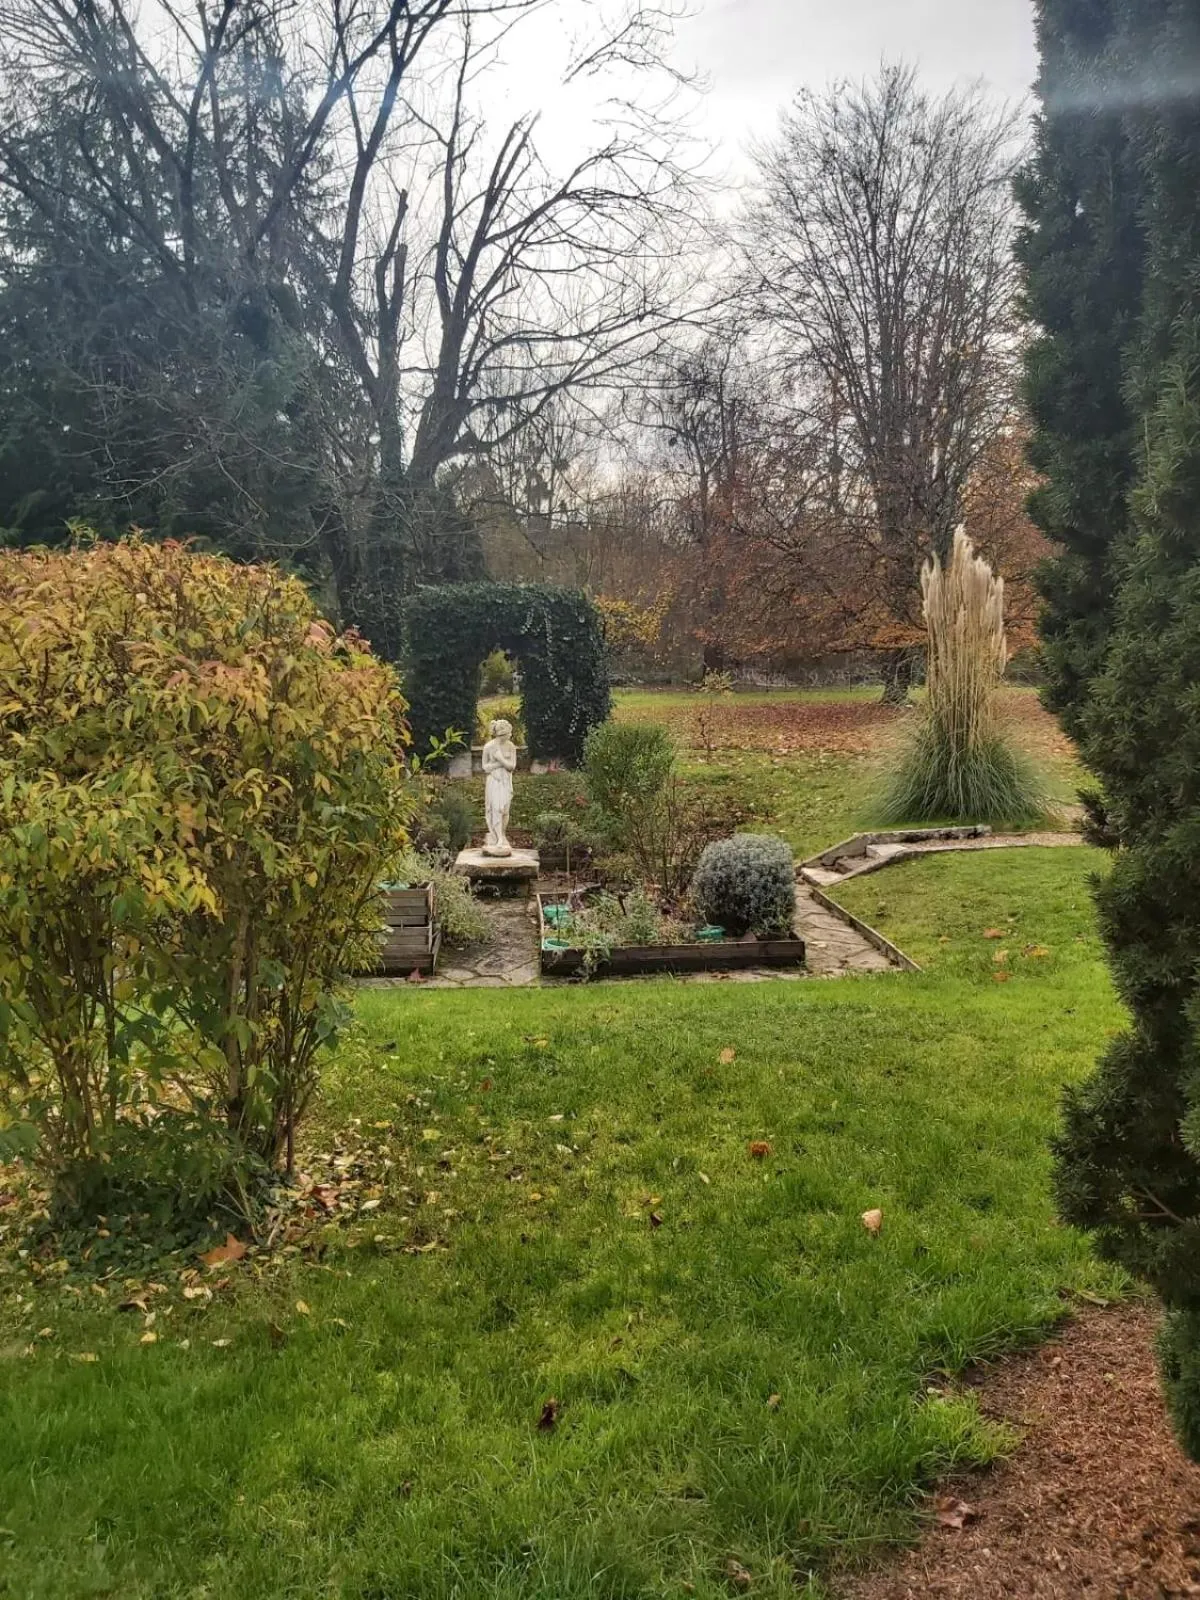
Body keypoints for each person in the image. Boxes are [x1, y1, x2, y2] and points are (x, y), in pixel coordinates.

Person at [481, 718, 517, 857]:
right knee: (496, 808)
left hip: (506, 781)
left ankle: (502, 834)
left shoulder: (511, 746)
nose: (509, 736)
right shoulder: (489, 747)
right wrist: (500, 764)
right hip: (494, 781)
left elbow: (511, 766)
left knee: (505, 810)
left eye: (509, 734)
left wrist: (500, 759)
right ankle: (498, 838)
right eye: (507, 734)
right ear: (500, 735)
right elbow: (485, 767)